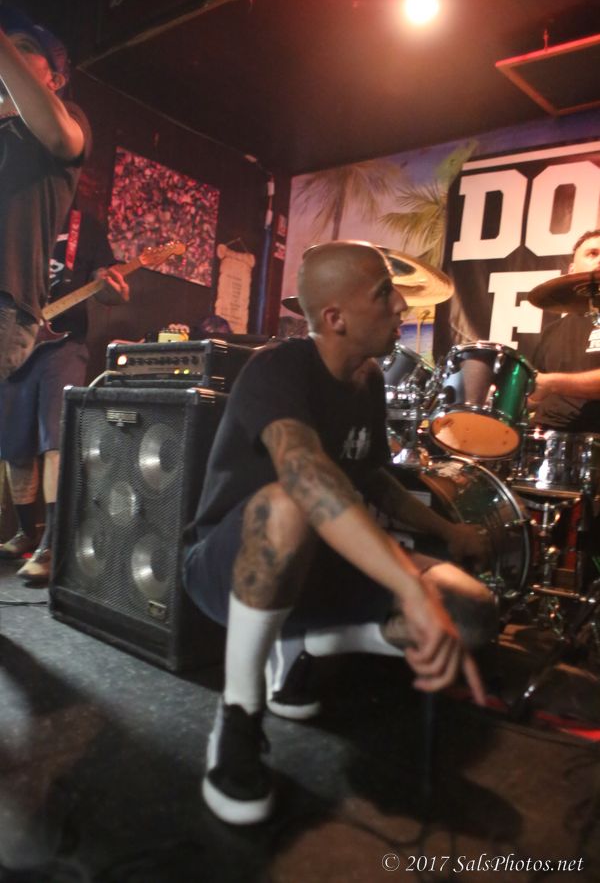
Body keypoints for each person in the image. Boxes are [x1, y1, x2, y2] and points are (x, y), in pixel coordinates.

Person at [183, 240, 497, 826]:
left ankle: (308, 644)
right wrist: (406, 584)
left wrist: (447, 532)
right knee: (289, 505)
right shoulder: (276, 367)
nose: (401, 304)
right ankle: (240, 714)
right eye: (384, 293)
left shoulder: (368, 379)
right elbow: (306, 476)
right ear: (335, 318)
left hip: (321, 567)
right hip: (226, 570)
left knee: (471, 612)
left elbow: (374, 478)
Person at [0, 209, 129, 583]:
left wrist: (113, 288)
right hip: (15, 340)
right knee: (13, 443)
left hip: (63, 344)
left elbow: (111, 290)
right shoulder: (16, 217)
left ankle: (51, 544)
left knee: (54, 440)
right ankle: (27, 532)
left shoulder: (83, 227)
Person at [0, 5, 90, 381]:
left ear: (55, 79)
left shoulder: (67, 116)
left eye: (23, 46)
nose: (12, 51)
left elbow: (59, 134)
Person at [529, 229, 600, 431]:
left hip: (589, 440)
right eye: (592, 253)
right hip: (541, 436)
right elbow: (536, 393)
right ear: (571, 270)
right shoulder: (553, 330)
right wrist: (504, 399)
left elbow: (547, 383)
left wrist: (552, 383)